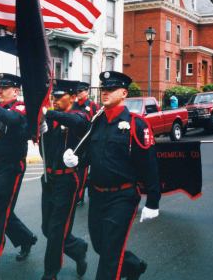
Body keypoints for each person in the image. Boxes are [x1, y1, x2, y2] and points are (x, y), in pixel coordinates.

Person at [62, 71, 160, 280]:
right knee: (100, 245)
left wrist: (153, 201)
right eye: (103, 89)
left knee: (109, 254)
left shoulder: (136, 124)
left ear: (124, 93)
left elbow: (150, 165)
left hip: (122, 196)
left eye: (111, 89)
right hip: (96, 195)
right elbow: (91, 153)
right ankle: (133, 266)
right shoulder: (98, 121)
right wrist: (78, 160)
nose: (105, 93)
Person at [0, 73, 38, 280]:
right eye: (0, 87)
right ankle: (26, 238)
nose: (0, 90)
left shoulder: (20, 107)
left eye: (6, 87)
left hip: (10, 169)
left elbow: (13, 120)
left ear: (16, 91)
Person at [38, 79, 89, 279]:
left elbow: (78, 123)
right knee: (46, 228)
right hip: (49, 178)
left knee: (57, 231)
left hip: (67, 181)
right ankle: (78, 249)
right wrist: (40, 128)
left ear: (73, 97)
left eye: (60, 97)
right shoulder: (52, 119)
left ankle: (50, 273)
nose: (56, 100)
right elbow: (45, 148)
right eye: (54, 97)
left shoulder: (80, 115)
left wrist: (48, 113)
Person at [71, 81, 98, 207]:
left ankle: (79, 195)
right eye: (77, 91)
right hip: (74, 140)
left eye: (81, 91)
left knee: (82, 170)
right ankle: (73, 192)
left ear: (87, 92)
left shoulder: (92, 106)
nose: (79, 94)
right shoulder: (73, 105)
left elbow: (96, 123)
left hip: (86, 141)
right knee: (73, 169)